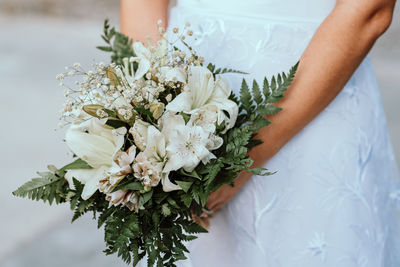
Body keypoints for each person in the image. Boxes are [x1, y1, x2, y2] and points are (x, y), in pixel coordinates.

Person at [121, 0, 400, 266]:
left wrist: (243, 158)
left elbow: (368, 9)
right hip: (181, 92)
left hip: (316, 93)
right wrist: (149, 112)